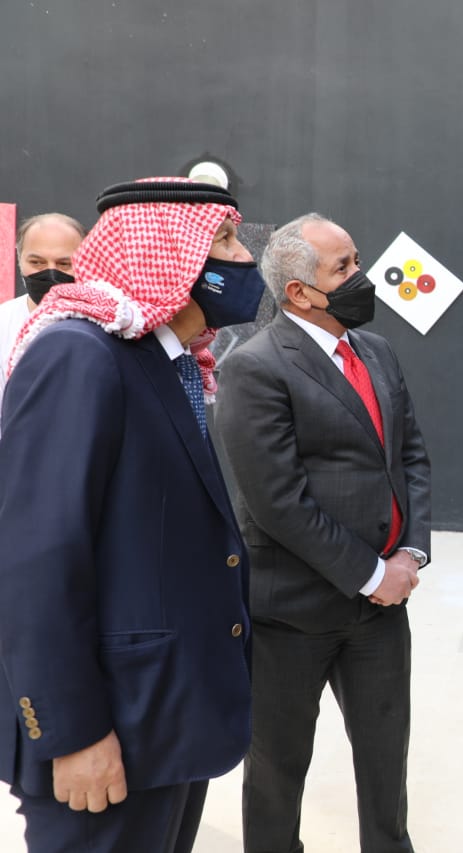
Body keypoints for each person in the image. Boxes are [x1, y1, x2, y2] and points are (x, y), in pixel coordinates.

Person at [0, 178, 264, 853]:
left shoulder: (166, 362)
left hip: (166, 722)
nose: (243, 259)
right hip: (105, 734)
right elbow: (35, 562)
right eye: (223, 241)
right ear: (168, 253)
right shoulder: (79, 354)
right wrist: (73, 732)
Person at [213, 212, 432, 853]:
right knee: (277, 774)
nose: (361, 276)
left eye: (356, 259)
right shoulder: (255, 368)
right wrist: (372, 573)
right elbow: (277, 503)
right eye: (344, 268)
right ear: (300, 292)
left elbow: (410, 456)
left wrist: (409, 553)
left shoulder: (377, 351)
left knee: (387, 765)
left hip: (380, 612)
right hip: (292, 614)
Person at [0, 212, 85, 428]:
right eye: (37, 262)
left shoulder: (108, 324)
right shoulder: (3, 323)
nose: (50, 272)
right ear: (19, 259)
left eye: (64, 264)